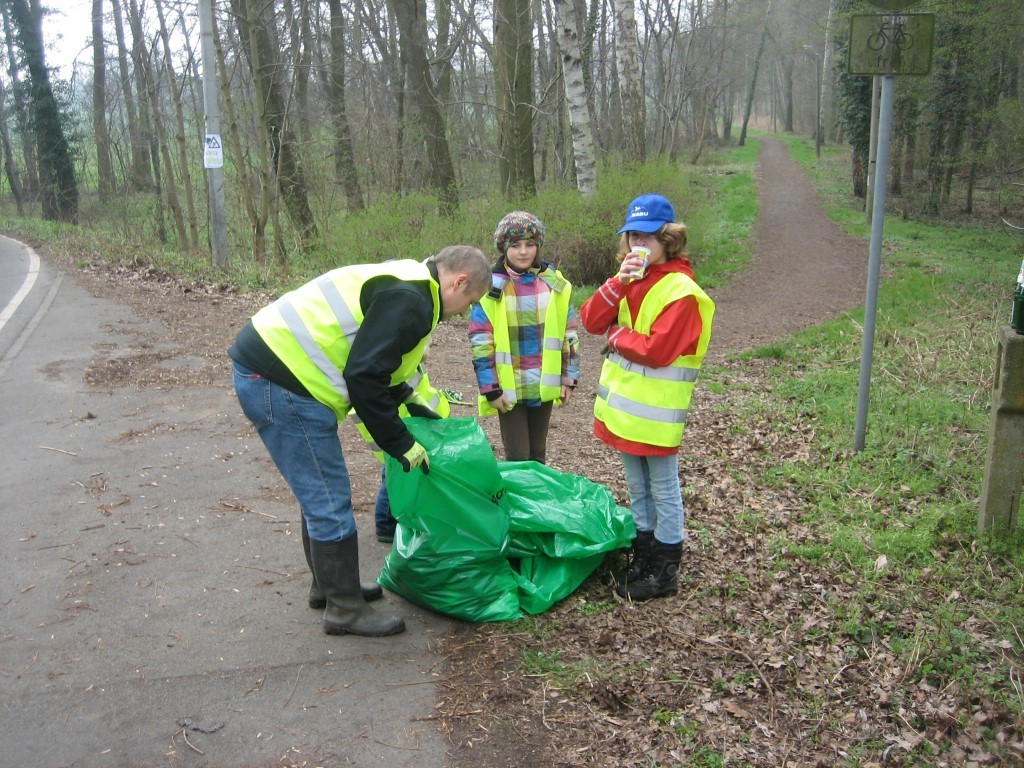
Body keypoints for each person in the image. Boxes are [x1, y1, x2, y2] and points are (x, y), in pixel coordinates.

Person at [228, 246, 491, 636]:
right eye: (469, 302)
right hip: (282, 380)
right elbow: (365, 377)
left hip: (275, 370)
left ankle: (332, 587)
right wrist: (399, 443)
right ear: (460, 281)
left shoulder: (408, 279)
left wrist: (414, 407)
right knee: (329, 497)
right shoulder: (411, 301)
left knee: (318, 489)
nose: (463, 312)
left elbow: (381, 363)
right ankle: (345, 609)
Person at [580, 194, 715, 601]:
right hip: (625, 410)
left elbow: (657, 350)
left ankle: (665, 567)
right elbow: (589, 321)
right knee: (637, 487)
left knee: (663, 488)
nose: (638, 244)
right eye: (633, 236)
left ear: (668, 239)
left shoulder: (682, 291)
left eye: (648, 237)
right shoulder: (631, 279)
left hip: (657, 415)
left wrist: (617, 337)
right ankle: (643, 553)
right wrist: (617, 282)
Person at [468, 211, 579, 464]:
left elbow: (569, 334)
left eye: (530, 244)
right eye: (515, 245)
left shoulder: (556, 285)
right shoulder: (490, 288)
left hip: (544, 383)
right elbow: (480, 344)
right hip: (509, 389)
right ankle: (517, 503)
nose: (523, 251)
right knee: (518, 457)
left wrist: (569, 377)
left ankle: (536, 502)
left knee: (538, 455)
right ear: (504, 248)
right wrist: (491, 389)